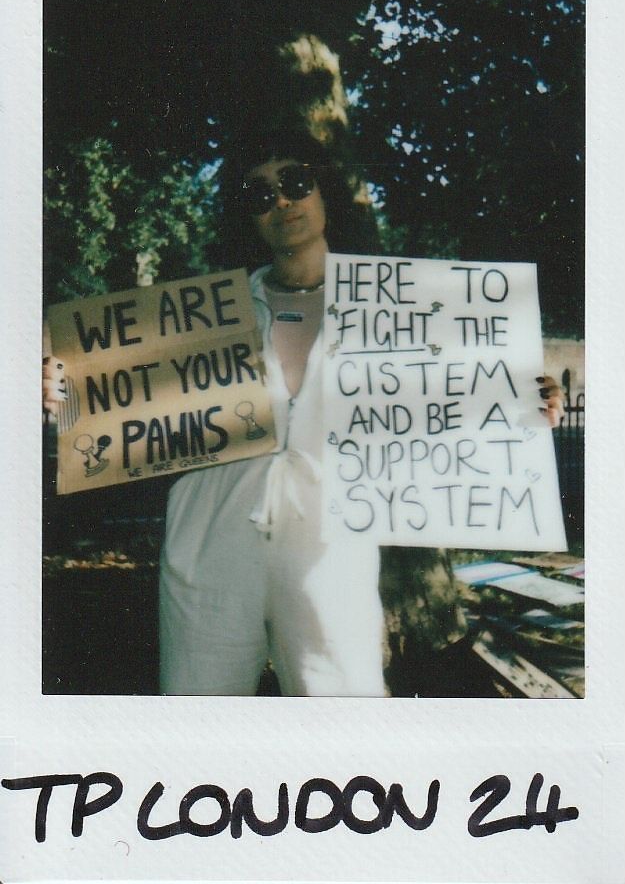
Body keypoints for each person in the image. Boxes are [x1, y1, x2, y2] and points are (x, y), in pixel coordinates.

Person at [43, 128, 564, 697]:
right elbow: (113, 399)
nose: (282, 201)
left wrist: (524, 402)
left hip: (331, 553)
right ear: (245, 215)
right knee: (198, 726)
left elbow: (460, 399)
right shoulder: (200, 321)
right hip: (208, 548)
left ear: (324, 193)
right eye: (259, 193)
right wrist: (65, 392)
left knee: (344, 725)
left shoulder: (397, 312)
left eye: (295, 182)